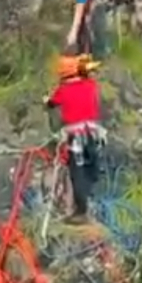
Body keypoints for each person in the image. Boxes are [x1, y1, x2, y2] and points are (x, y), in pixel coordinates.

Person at [43, 53, 105, 224]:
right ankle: (90, 199)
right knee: (90, 167)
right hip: (92, 133)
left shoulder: (63, 90)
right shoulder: (90, 85)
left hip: (75, 137)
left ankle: (81, 210)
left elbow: (51, 103)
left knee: (77, 172)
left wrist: (46, 99)